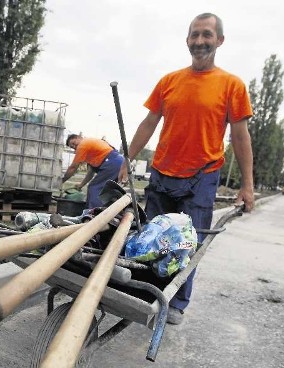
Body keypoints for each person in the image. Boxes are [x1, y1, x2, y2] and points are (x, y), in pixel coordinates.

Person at [118, 13, 255, 325]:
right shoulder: (169, 81)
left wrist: (247, 185)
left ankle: (176, 302)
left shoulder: (232, 85)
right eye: (194, 35)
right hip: (163, 172)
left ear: (220, 40)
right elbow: (149, 122)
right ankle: (147, 292)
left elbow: (241, 136)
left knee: (187, 241)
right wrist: (129, 157)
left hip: (202, 176)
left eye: (206, 35)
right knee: (151, 238)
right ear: (187, 40)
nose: (199, 41)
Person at [62, 134, 124, 208]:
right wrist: (81, 185)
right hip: (119, 162)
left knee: (94, 188)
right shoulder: (91, 147)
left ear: (79, 137)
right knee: (106, 191)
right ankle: (112, 212)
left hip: (112, 162)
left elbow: (73, 167)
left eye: (73, 143)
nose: (75, 147)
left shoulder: (83, 144)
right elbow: (91, 172)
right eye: (73, 147)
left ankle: (93, 214)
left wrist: (62, 180)